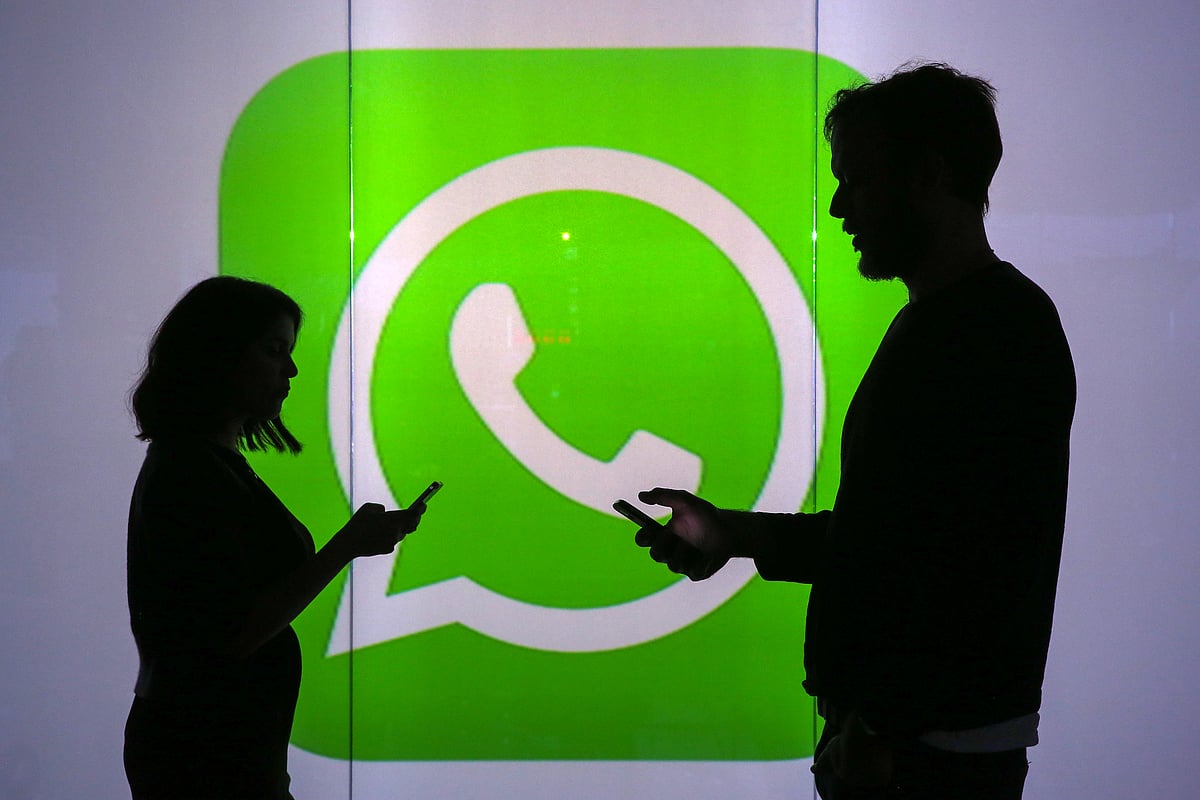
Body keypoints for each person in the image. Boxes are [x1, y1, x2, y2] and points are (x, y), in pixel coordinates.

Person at [634, 63, 1075, 799]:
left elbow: (968, 561)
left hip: (920, 755)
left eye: (858, 179)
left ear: (927, 175)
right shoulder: (973, 323)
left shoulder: (992, 333)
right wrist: (735, 536)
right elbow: (897, 536)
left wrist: (886, 733)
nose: (839, 206)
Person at [123, 276, 426, 799]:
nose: (290, 370)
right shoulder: (192, 473)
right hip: (208, 754)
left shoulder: (202, 464)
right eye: (273, 351)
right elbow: (231, 633)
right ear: (220, 355)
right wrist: (346, 546)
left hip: (218, 747)